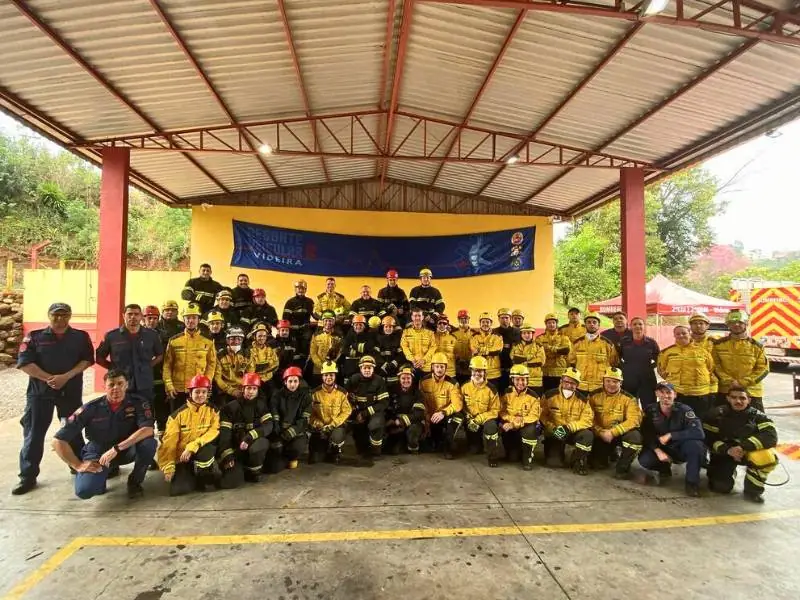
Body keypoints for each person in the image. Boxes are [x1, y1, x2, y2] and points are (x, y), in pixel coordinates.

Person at [14, 302, 94, 495]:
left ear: (70, 316)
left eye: (64, 315)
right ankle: (28, 476)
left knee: (73, 430)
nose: (60, 319)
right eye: (56, 315)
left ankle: (77, 467)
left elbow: (87, 360)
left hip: (70, 392)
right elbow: (25, 364)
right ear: (49, 316)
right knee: (34, 434)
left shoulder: (80, 337)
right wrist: (49, 379)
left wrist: (65, 377)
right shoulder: (34, 337)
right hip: (40, 394)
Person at [52, 369, 156, 499]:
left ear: (127, 385)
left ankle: (135, 482)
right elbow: (58, 441)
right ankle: (102, 478)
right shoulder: (91, 408)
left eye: (120, 383)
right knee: (85, 491)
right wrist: (77, 465)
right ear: (104, 387)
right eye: (111, 385)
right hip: (98, 452)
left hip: (127, 449)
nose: (116, 388)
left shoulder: (138, 403)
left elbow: (148, 430)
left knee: (149, 443)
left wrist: (117, 448)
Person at [703, 385, 778, 503]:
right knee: (721, 487)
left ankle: (753, 491)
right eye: (734, 397)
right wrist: (727, 450)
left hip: (746, 451)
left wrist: (742, 447)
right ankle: (728, 472)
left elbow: (771, 437)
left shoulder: (758, 416)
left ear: (749, 400)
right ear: (728, 398)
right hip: (724, 453)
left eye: (742, 398)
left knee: (766, 458)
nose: (738, 401)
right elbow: (708, 438)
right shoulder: (715, 415)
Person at [638, 382, 705, 497]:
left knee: (696, 446)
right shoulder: (650, 410)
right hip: (662, 447)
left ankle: (691, 483)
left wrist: (671, 435)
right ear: (656, 394)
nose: (665, 396)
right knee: (645, 460)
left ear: (675, 395)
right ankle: (664, 468)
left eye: (669, 392)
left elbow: (698, 432)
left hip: (681, 448)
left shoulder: (685, 410)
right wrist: (657, 451)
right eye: (661, 392)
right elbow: (646, 434)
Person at [157, 374, 221, 495]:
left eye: (204, 392)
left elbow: (214, 431)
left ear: (208, 393)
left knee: (210, 474)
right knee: (179, 490)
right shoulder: (177, 416)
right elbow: (169, 443)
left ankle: (205, 473)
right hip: (183, 457)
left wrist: (193, 446)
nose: (201, 395)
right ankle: (190, 473)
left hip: (201, 450)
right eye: (197, 392)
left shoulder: (213, 411)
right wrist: (168, 467)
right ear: (190, 393)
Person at [95, 303, 163, 402]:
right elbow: (99, 357)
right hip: (120, 385)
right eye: (130, 314)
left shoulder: (152, 335)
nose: (133, 317)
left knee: (145, 414)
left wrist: (148, 365)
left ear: (141, 317)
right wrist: (113, 368)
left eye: (136, 314)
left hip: (144, 383)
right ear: (124, 316)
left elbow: (160, 355)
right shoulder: (112, 336)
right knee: (121, 414)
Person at [218, 372, 272, 487]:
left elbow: (268, 426)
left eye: (254, 388)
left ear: (258, 390)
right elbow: (225, 434)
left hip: (253, 445)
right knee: (229, 483)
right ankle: (240, 468)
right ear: (243, 389)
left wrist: (250, 436)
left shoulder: (262, 405)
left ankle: (254, 471)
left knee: (261, 444)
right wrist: (227, 455)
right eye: (248, 388)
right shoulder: (230, 408)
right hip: (236, 448)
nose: (251, 392)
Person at [588, 367, 643, 478]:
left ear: (621, 383)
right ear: (603, 381)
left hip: (619, 434)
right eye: (608, 381)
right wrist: (600, 432)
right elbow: (588, 418)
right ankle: (611, 452)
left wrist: (613, 432)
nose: (611, 384)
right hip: (601, 435)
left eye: (615, 381)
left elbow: (634, 420)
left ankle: (622, 468)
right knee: (598, 464)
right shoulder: (593, 396)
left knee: (635, 438)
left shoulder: (629, 399)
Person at [162, 303, 217, 411]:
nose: (190, 321)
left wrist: (207, 383)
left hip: (199, 390)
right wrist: (169, 385)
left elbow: (212, 364)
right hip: (178, 390)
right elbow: (167, 365)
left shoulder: (208, 342)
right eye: (187, 318)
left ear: (198, 320)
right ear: (183, 319)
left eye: (194, 317)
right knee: (176, 421)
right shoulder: (174, 341)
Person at [712, 310, 769, 411]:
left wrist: (743, 382)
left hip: (751, 392)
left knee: (755, 424)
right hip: (726, 391)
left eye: (740, 322)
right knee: (721, 422)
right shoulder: (718, 345)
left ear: (746, 323)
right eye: (732, 322)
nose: (736, 325)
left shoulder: (756, 346)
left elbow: (764, 369)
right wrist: (729, 381)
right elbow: (715, 365)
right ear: (728, 324)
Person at [542, 368, 594, 475]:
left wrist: (569, 427)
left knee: (587, 435)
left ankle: (578, 459)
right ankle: (556, 453)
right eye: (566, 381)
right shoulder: (549, 396)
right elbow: (542, 416)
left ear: (577, 385)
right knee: (553, 463)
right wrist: (553, 428)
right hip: (555, 432)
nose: (569, 385)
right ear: (561, 381)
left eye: (573, 383)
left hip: (572, 432)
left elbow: (587, 420)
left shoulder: (583, 400)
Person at [657, 325, 715, 417]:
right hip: (677, 393)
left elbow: (710, 368)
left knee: (699, 420)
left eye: (684, 333)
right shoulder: (667, 352)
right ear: (674, 336)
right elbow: (662, 370)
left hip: (699, 393)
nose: (681, 336)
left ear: (689, 334)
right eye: (678, 334)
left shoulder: (702, 351)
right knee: (677, 419)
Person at [419, 353, 463, 459]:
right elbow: (422, 402)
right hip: (430, 416)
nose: (439, 369)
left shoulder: (453, 383)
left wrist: (443, 412)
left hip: (445, 415)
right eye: (437, 366)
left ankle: (449, 447)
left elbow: (457, 405)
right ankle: (434, 440)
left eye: (442, 367)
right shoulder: (424, 382)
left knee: (455, 420)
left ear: (446, 368)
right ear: (432, 367)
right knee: (432, 440)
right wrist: (426, 417)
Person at [268, 366, 312, 471]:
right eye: (290, 381)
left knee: (296, 448)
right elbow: (274, 413)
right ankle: (281, 457)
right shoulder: (277, 395)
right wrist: (277, 428)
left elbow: (303, 421)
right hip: (280, 431)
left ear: (299, 382)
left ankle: (292, 456)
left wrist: (290, 433)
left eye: (295, 381)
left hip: (297, 432)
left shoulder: (306, 397)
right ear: (285, 382)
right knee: (274, 467)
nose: (292, 384)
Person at [499, 364, 541, 470]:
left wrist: (514, 423)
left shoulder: (534, 397)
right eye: (517, 380)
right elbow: (501, 411)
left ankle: (527, 457)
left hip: (525, 426)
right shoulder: (505, 394)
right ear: (512, 380)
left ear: (527, 380)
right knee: (512, 458)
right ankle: (515, 450)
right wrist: (510, 422)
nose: (520, 383)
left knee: (531, 430)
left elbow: (533, 416)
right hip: (510, 426)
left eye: (523, 380)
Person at [461, 356, 501, 466]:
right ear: (471, 371)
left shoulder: (491, 389)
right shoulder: (464, 387)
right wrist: (468, 417)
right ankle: (475, 444)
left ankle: (492, 457)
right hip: (470, 420)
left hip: (485, 419)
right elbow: (461, 406)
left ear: (485, 372)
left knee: (492, 426)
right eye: (475, 370)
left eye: (480, 371)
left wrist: (479, 419)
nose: (477, 374)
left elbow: (495, 410)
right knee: (474, 449)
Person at [308, 361, 351, 464]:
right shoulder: (314, 393)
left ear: (335, 376)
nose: (329, 377)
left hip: (335, 426)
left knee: (337, 436)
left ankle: (335, 449)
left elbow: (346, 411)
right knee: (316, 459)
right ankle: (322, 447)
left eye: (331, 375)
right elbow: (310, 413)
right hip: (320, 428)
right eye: (326, 375)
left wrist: (332, 424)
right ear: (322, 376)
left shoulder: (342, 393)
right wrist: (318, 424)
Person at [347, 356, 390, 457]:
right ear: (360, 368)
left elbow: (384, 403)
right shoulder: (353, 379)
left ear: (373, 369)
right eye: (364, 368)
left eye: (369, 368)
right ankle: (362, 445)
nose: (367, 370)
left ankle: (376, 449)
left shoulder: (379, 381)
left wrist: (365, 413)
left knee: (375, 425)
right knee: (360, 447)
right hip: (358, 413)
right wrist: (355, 412)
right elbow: (345, 399)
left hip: (375, 413)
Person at [568, 312, 618, 394]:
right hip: (581, 386)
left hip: (600, 386)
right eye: (589, 322)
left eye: (594, 322)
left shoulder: (608, 344)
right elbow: (571, 362)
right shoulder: (577, 343)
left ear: (598, 325)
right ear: (585, 325)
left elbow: (614, 363)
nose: (591, 324)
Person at [618, 316, 659, 409]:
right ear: (630, 326)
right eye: (634, 324)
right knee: (629, 405)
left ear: (644, 326)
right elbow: (617, 357)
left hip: (647, 377)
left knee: (649, 406)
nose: (637, 326)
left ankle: (647, 423)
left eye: (640, 324)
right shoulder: (624, 342)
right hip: (629, 378)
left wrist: (650, 367)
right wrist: (625, 367)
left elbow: (659, 358)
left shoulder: (651, 342)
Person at [384, 365, 426, 455]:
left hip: (413, 422)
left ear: (412, 379)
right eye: (403, 378)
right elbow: (388, 408)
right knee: (391, 450)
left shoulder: (417, 393)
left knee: (412, 433)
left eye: (408, 378)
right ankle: (401, 441)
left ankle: (414, 447)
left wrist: (401, 421)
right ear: (399, 379)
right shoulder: (393, 391)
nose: (406, 381)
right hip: (396, 423)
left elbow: (419, 414)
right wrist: (391, 420)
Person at [214, 327, 249, 408]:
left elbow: (250, 375)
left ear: (242, 340)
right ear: (227, 340)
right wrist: (231, 390)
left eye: (239, 339)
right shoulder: (220, 355)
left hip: (243, 389)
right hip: (225, 391)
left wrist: (244, 389)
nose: (236, 342)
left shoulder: (248, 354)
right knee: (225, 409)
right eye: (232, 339)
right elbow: (217, 378)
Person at [537, 313, 571, 392]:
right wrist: (558, 350)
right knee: (546, 394)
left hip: (560, 371)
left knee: (559, 393)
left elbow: (566, 350)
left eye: (553, 322)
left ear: (556, 324)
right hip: (545, 371)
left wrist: (549, 348)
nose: (551, 324)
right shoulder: (540, 338)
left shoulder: (563, 337)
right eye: (549, 323)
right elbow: (538, 352)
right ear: (546, 324)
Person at [341, 315, 379, 384]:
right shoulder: (349, 334)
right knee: (348, 383)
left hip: (363, 365)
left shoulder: (369, 334)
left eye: (360, 325)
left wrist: (353, 345)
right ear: (353, 325)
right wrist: (361, 350)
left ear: (364, 326)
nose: (358, 327)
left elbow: (369, 347)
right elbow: (344, 350)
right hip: (349, 366)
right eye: (356, 324)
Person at [400, 307, 437, 377]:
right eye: (415, 316)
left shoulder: (430, 333)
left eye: (419, 316)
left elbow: (433, 348)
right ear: (412, 317)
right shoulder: (406, 332)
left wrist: (424, 360)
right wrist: (413, 360)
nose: (417, 318)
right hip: (412, 366)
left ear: (422, 317)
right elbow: (404, 347)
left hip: (426, 367)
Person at [469, 312, 503, 387]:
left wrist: (481, 350)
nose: (485, 324)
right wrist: (489, 350)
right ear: (480, 323)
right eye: (483, 322)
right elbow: (474, 351)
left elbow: (497, 350)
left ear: (491, 323)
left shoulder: (497, 336)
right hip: (478, 372)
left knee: (493, 395)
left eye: (487, 322)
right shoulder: (474, 336)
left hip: (494, 373)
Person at [511, 322, 546, 395]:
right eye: (524, 333)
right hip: (520, 380)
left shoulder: (539, 346)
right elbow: (514, 358)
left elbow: (540, 361)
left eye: (529, 333)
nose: (526, 335)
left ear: (533, 334)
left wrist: (523, 361)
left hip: (535, 381)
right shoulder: (516, 345)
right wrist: (531, 357)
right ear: (521, 334)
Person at [282, 279, 315, 357]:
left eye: (303, 288)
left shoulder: (310, 302)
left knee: (305, 351)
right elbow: (285, 319)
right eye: (298, 288)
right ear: (295, 289)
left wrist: (323, 318)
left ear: (306, 290)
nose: (300, 290)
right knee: (294, 352)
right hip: (293, 331)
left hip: (305, 331)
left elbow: (315, 314)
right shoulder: (290, 302)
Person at [309, 311, 342, 385]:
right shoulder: (316, 335)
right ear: (323, 322)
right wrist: (321, 365)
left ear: (334, 322)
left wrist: (333, 363)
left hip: (332, 368)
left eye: (330, 321)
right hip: (318, 370)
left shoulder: (339, 335)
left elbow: (340, 351)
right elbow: (313, 352)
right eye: (326, 320)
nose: (328, 323)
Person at [688, 312, 717, 396]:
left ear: (707, 326)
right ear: (690, 326)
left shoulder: (715, 341)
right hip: (688, 385)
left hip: (710, 385)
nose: (698, 326)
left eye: (701, 323)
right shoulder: (684, 342)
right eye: (695, 323)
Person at [493, 308, 519, 390]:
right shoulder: (494, 332)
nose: (504, 320)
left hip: (512, 368)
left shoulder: (516, 332)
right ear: (498, 319)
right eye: (502, 318)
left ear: (510, 319)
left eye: (506, 318)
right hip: (497, 369)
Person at [376, 315, 403, 388]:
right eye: (386, 327)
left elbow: (401, 355)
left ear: (393, 328)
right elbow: (376, 354)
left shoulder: (397, 339)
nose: (388, 328)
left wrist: (394, 363)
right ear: (383, 328)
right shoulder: (378, 339)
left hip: (394, 369)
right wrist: (383, 364)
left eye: (390, 327)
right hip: (381, 369)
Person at [452, 309, 474, 384]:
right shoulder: (453, 334)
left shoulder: (474, 334)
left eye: (465, 318)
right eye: (461, 318)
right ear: (458, 319)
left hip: (470, 370)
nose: (463, 320)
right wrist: (457, 360)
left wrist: (470, 362)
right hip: (456, 370)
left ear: (469, 319)